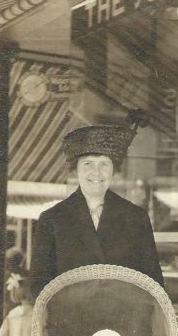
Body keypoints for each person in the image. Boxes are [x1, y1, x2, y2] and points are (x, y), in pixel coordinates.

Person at [30, 113, 163, 300]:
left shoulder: (135, 217)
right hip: (70, 322)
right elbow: (38, 286)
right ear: (75, 170)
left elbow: (152, 283)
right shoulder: (52, 219)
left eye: (104, 164)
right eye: (88, 164)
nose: (96, 172)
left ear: (113, 170)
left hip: (123, 322)